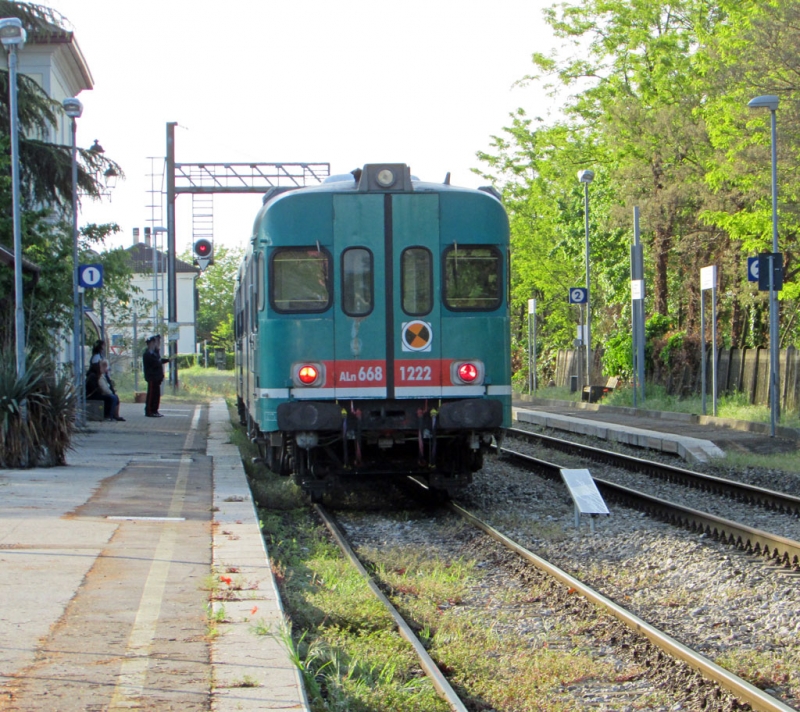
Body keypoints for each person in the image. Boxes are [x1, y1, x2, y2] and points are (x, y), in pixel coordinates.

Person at [143, 335, 169, 417]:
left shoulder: (154, 353)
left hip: (157, 377)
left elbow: (159, 360)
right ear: (150, 343)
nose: (156, 344)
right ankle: (149, 411)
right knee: (151, 395)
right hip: (152, 377)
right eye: (154, 342)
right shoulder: (147, 354)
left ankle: (155, 410)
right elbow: (156, 362)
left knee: (156, 395)